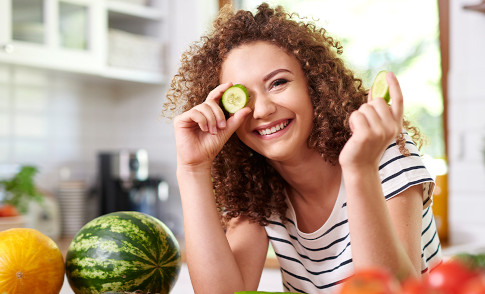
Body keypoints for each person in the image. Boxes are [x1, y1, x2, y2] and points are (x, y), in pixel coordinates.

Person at [163, 3, 442, 293]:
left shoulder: (382, 152)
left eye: (278, 83)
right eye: (242, 97)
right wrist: (192, 169)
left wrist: (360, 170)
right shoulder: (259, 190)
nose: (262, 110)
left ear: (314, 85)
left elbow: (392, 290)